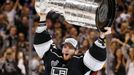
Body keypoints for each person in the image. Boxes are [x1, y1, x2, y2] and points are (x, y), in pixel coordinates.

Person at [33, 10, 112, 75]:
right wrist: (43, 17)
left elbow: (96, 60)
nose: (66, 49)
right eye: (65, 46)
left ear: (76, 51)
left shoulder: (80, 61)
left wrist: (102, 36)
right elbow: (40, 42)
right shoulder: (53, 55)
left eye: (70, 47)